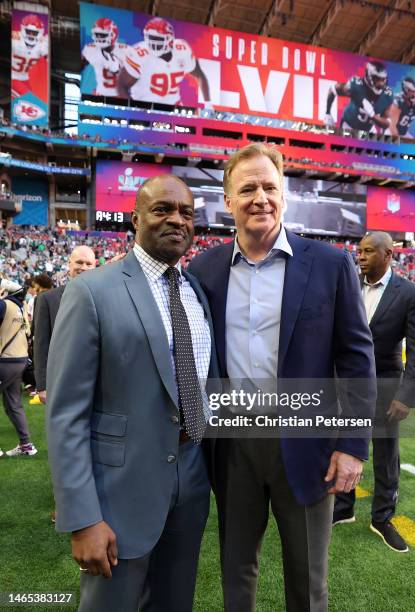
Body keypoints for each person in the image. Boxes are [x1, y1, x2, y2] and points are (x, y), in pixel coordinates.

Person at [188, 143, 376, 611]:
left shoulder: (330, 264)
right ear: (228, 200)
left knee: (308, 579)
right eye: (247, 188)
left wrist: (352, 446)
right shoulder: (203, 269)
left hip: (309, 443)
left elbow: (357, 359)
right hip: (233, 443)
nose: (260, 198)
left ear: (285, 194)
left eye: (270, 187)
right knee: (236, 569)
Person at [46, 175, 218, 611]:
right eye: (163, 209)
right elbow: (67, 414)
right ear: (135, 218)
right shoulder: (91, 291)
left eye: (186, 213)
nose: (176, 220)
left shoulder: (196, 292)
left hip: (191, 480)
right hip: (117, 493)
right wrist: (82, 517)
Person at [333, 232, 415, 553]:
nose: (360, 256)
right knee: (343, 443)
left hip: (387, 386)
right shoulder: (346, 286)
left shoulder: (411, 294)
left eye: (369, 251)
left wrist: (407, 395)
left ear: (388, 254)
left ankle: (383, 517)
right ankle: (343, 507)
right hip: (345, 386)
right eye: (359, 250)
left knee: (386, 454)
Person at [33, 245, 96, 404]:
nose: (83, 267)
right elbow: (41, 345)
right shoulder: (47, 299)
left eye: (88, 264)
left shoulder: (105, 298)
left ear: (95, 267)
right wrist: (42, 385)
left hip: (97, 383)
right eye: (79, 262)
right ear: (69, 264)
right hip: (61, 382)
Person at [120, 17, 211, 105]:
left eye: (158, 39)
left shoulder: (182, 49)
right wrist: (132, 109)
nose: (153, 43)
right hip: (144, 106)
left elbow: (200, 76)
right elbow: (121, 85)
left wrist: (208, 104)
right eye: (151, 37)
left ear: (170, 40)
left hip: (174, 107)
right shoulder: (139, 54)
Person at [0, 284, 37, 457]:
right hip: (19, 359)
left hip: (5, 360)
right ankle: (26, 445)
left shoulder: (4, 305)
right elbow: (27, 333)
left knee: (13, 404)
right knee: (13, 404)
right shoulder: (20, 307)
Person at [325, 61, 393, 134]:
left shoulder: (387, 94)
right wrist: (328, 113)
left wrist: (373, 115)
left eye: (383, 79)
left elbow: (386, 123)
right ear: (369, 76)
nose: (381, 83)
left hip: (369, 130)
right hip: (349, 126)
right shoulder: (356, 86)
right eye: (377, 79)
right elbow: (333, 89)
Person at [81, 18, 129, 97]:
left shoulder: (125, 50)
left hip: (120, 96)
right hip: (101, 94)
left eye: (103, 35)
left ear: (113, 35)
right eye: (97, 34)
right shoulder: (90, 49)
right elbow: (82, 64)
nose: (99, 37)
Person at [11, 14, 48, 99]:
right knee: (28, 100)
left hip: (25, 78)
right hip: (13, 76)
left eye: (34, 33)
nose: (31, 35)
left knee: (33, 100)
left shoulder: (42, 44)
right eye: (29, 32)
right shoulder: (15, 39)